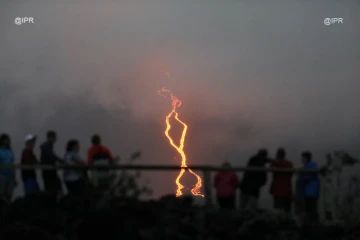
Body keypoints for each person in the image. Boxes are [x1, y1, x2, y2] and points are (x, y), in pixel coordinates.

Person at [270, 148, 294, 215]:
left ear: (277, 155)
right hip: (287, 190)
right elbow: (291, 175)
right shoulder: (289, 164)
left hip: (277, 191)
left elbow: (271, 169)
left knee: (277, 211)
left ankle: (279, 224)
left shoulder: (275, 163)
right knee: (287, 211)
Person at [40, 130, 63, 200]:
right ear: (50, 137)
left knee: (53, 188)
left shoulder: (48, 146)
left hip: (49, 170)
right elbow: (52, 156)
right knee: (55, 188)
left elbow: (52, 156)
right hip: (48, 170)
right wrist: (62, 161)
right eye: (54, 137)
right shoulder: (46, 146)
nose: (55, 139)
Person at [300, 151, 320, 226]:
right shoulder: (309, 166)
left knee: (311, 210)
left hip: (310, 192)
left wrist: (301, 175)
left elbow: (307, 177)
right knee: (311, 210)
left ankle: (313, 225)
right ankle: (313, 225)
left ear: (306, 158)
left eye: (302, 158)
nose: (301, 159)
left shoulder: (310, 166)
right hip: (311, 192)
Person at [0, 134, 16, 202]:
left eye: (7, 140)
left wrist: (14, 177)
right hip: (2, 176)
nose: (7, 141)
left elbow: (12, 163)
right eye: (5, 140)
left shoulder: (10, 151)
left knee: (9, 195)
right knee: (1, 195)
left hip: (10, 176)